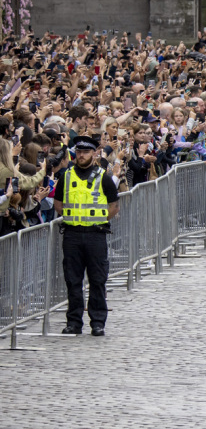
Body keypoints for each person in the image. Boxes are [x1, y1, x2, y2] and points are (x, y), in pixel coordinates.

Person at [53, 136, 120, 336]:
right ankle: (74, 322)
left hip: (95, 235)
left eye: (85, 152)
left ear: (93, 154)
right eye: (79, 152)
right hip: (72, 234)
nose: (81, 155)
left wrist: (96, 220)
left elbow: (114, 207)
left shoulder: (103, 177)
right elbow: (58, 205)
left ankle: (97, 321)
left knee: (97, 279)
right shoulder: (66, 176)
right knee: (73, 280)